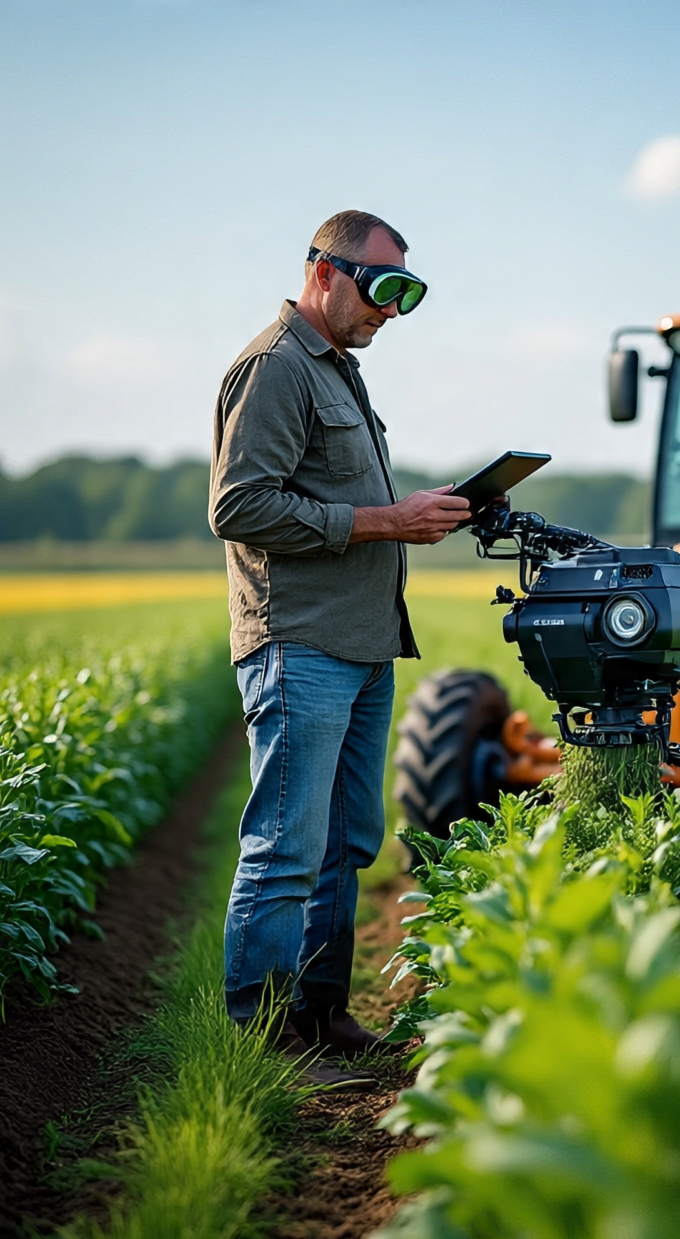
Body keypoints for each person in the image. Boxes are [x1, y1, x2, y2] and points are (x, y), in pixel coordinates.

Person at [209, 210, 470, 1090]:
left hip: (359, 645)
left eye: (407, 293)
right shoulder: (275, 368)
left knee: (346, 842)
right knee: (287, 845)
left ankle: (320, 1016)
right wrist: (384, 521)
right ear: (324, 270)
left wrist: (409, 512)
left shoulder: (338, 370)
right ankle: (263, 1044)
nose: (391, 310)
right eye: (381, 287)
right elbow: (238, 507)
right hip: (301, 643)